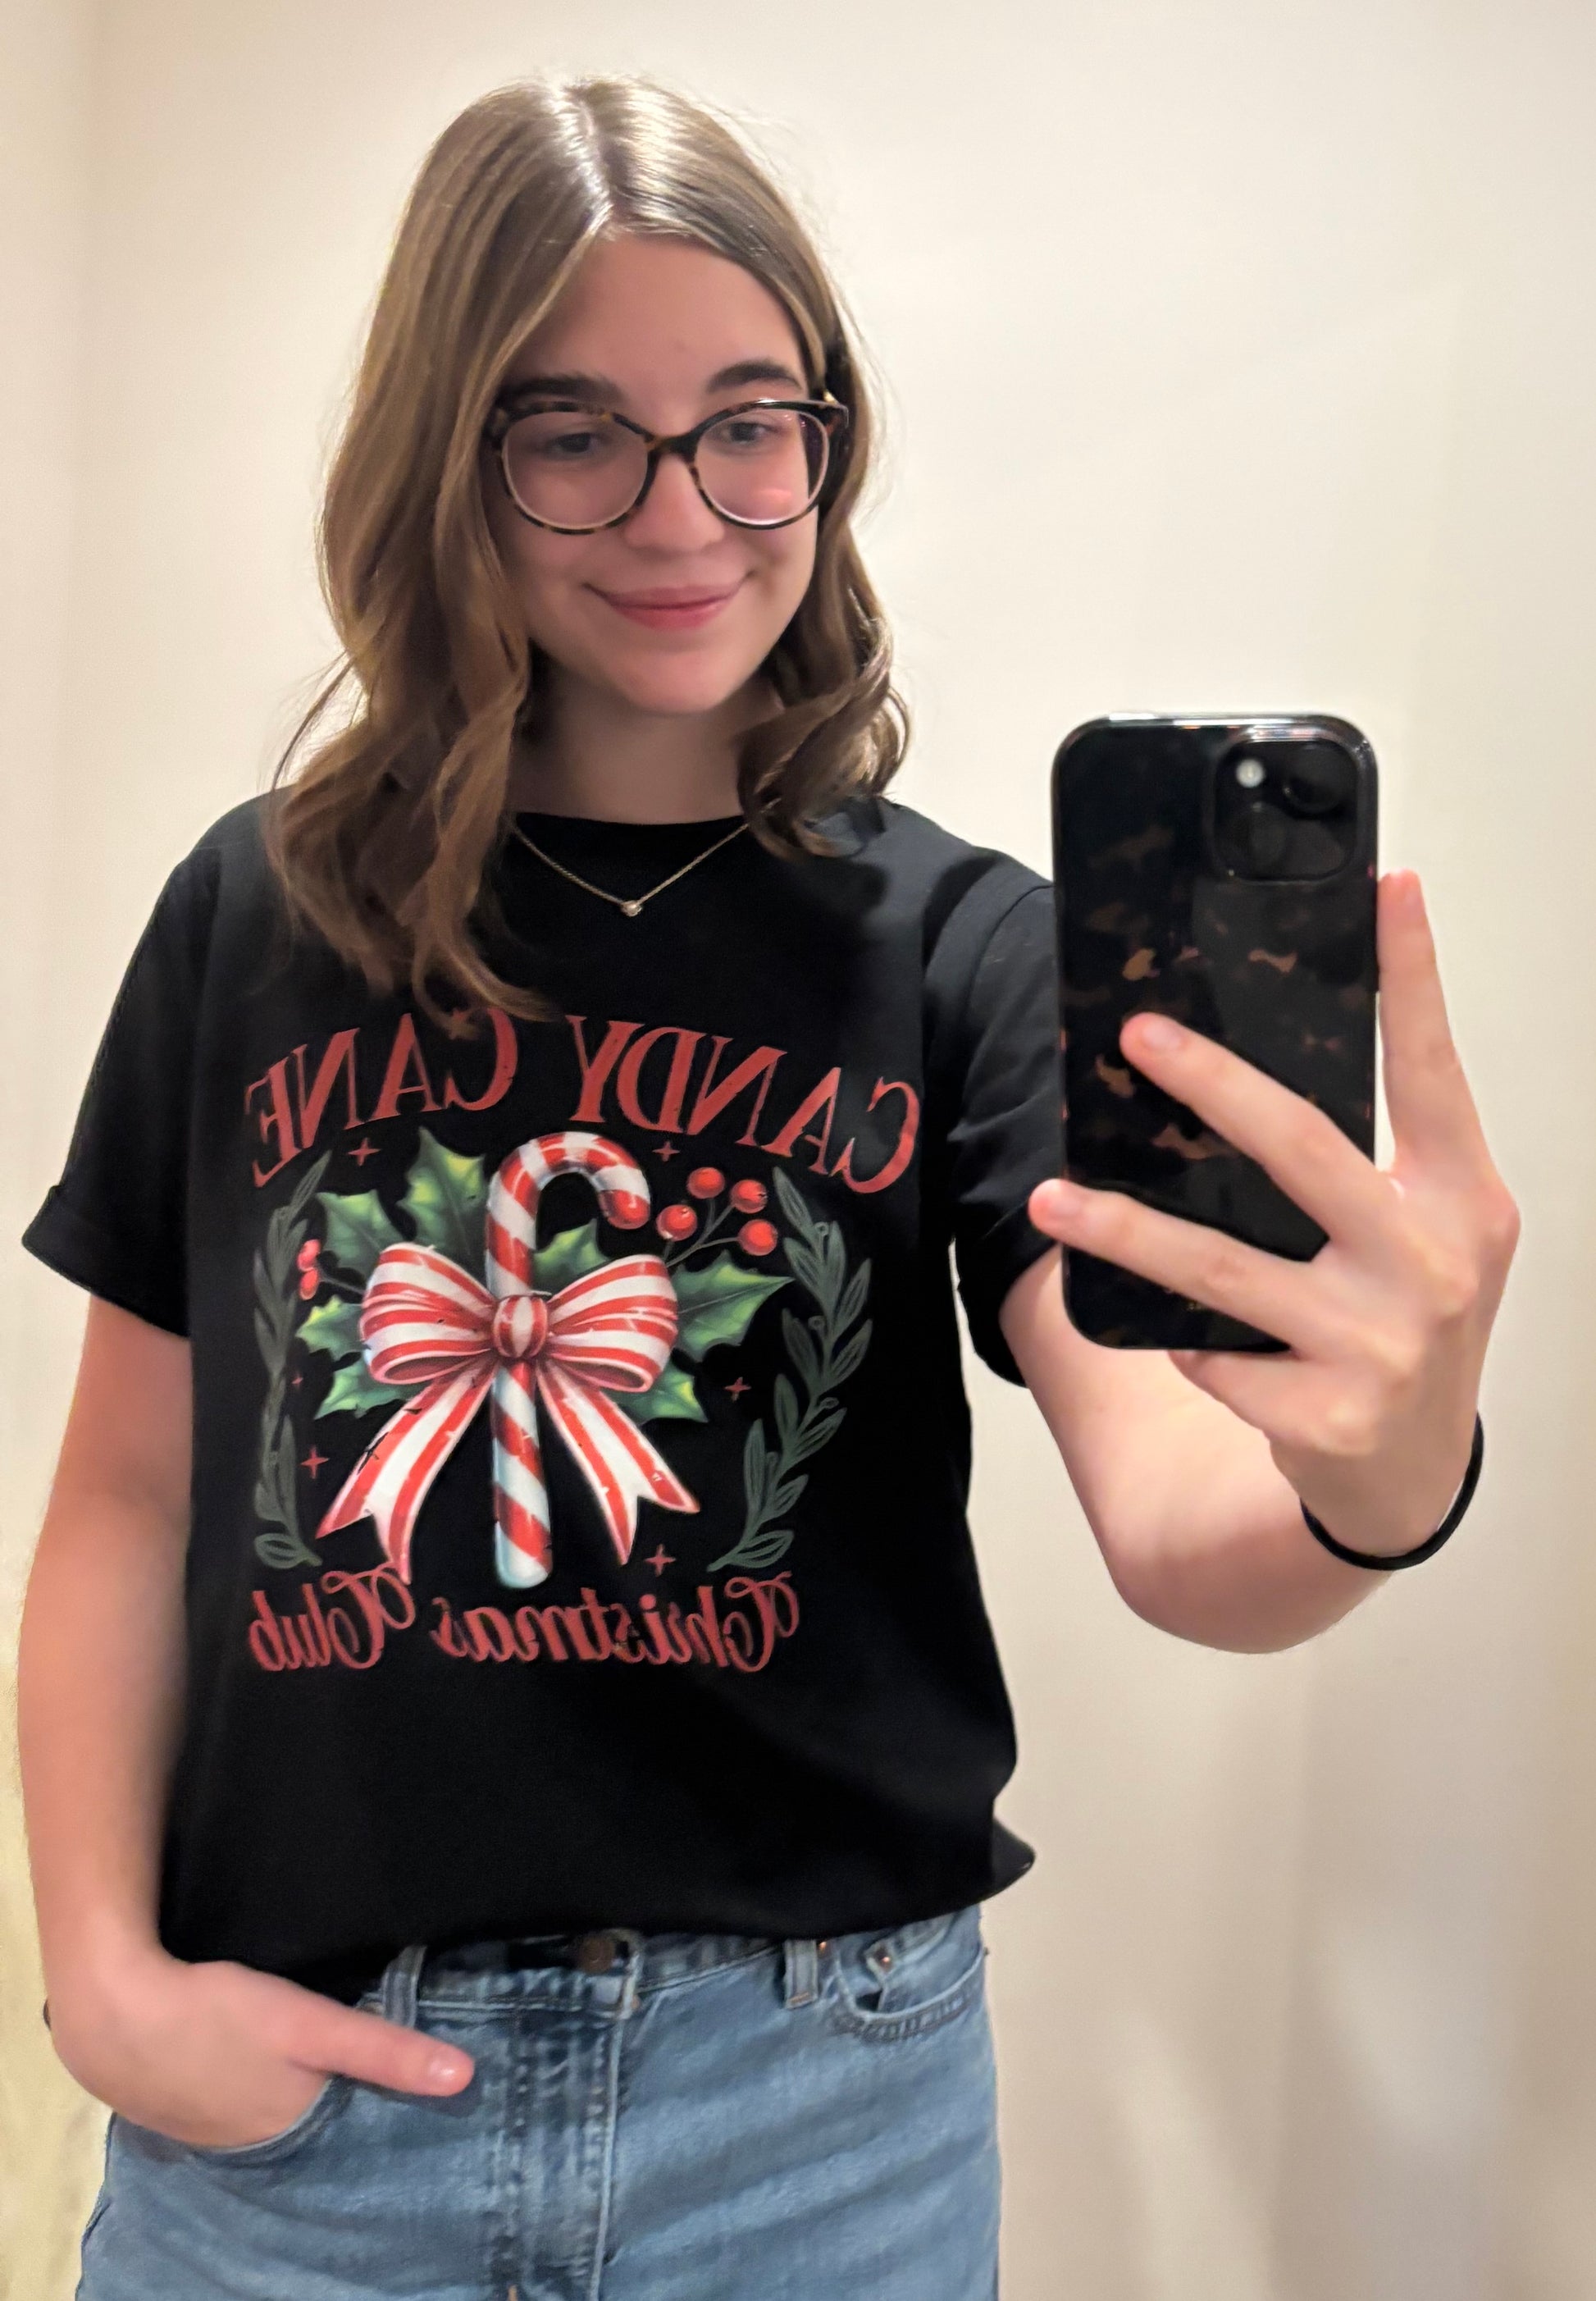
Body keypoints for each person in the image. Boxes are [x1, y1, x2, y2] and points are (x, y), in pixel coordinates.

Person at [17, 75, 1516, 2301]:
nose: (684, 514)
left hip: (814, 2137)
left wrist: (1385, 1468)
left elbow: (1181, 1524)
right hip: (305, 2139)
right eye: (573, 433)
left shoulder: (965, 953)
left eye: (749, 423)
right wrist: (101, 1982)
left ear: (826, 438)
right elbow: (129, 1501)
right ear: (447, 457)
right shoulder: (258, 914)